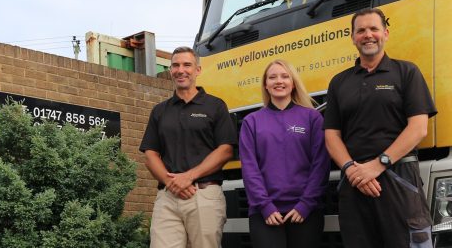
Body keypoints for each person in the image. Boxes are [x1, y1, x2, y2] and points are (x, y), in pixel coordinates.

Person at [323, 8, 437, 247]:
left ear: (385, 33)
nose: (368, 35)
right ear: (353, 37)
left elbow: (418, 128)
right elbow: (331, 135)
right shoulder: (339, 82)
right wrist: (352, 170)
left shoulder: (406, 72)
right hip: (354, 183)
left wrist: (377, 165)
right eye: (361, 30)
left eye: (374, 29)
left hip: (398, 176)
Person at [140, 46, 237, 248]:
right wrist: (171, 182)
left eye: (187, 65)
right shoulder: (160, 111)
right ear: (170, 70)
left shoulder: (216, 106)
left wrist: (188, 177)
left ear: (198, 70)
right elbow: (150, 155)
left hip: (203, 195)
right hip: (168, 196)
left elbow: (226, 150)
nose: (180, 70)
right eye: (175, 65)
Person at [239, 59, 329, 248]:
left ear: (293, 82)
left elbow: (320, 165)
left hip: (305, 211)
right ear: (265, 84)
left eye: (284, 76)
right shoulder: (251, 122)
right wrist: (265, 206)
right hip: (265, 213)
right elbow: (249, 169)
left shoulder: (312, 118)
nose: (279, 81)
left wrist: (305, 205)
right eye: (272, 77)